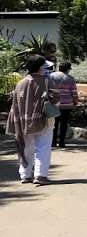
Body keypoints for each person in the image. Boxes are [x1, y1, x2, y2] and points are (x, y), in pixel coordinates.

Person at [6, 55, 59, 185]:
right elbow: (56, 98)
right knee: (43, 147)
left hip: (24, 121)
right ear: (40, 68)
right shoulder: (47, 81)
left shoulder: (21, 83)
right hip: (44, 120)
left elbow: (15, 104)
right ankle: (40, 175)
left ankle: (25, 175)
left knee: (26, 148)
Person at [49, 62, 79, 148]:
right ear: (68, 69)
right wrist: (75, 101)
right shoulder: (70, 78)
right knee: (64, 124)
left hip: (54, 104)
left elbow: (48, 88)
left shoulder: (51, 76)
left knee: (54, 123)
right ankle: (62, 142)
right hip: (67, 105)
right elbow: (73, 92)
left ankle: (53, 142)